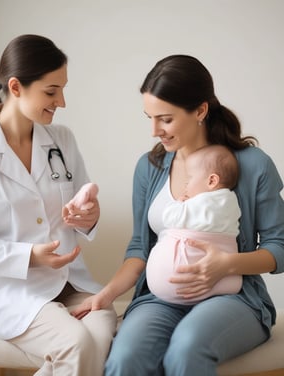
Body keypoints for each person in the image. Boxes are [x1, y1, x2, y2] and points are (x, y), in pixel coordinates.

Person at [71, 54, 284, 376]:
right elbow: (140, 248)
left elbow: (279, 246)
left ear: (200, 110)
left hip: (235, 298)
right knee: (125, 358)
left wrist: (226, 264)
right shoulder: (149, 167)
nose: (156, 130)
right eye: (150, 118)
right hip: (160, 299)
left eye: (166, 119)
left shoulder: (253, 164)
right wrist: (106, 294)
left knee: (187, 348)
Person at [0, 34, 117, 376]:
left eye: (63, 89)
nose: (61, 101)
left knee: (103, 325)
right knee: (77, 343)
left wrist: (88, 214)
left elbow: (82, 208)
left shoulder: (62, 140)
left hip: (72, 283)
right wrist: (30, 256)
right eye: (51, 91)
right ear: (16, 87)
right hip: (15, 294)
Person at [146, 144, 242, 304]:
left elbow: (170, 218)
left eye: (189, 178)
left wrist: (178, 204)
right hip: (227, 281)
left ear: (212, 180)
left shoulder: (201, 202)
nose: (185, 185)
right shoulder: (231, 201)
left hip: (188, 285)